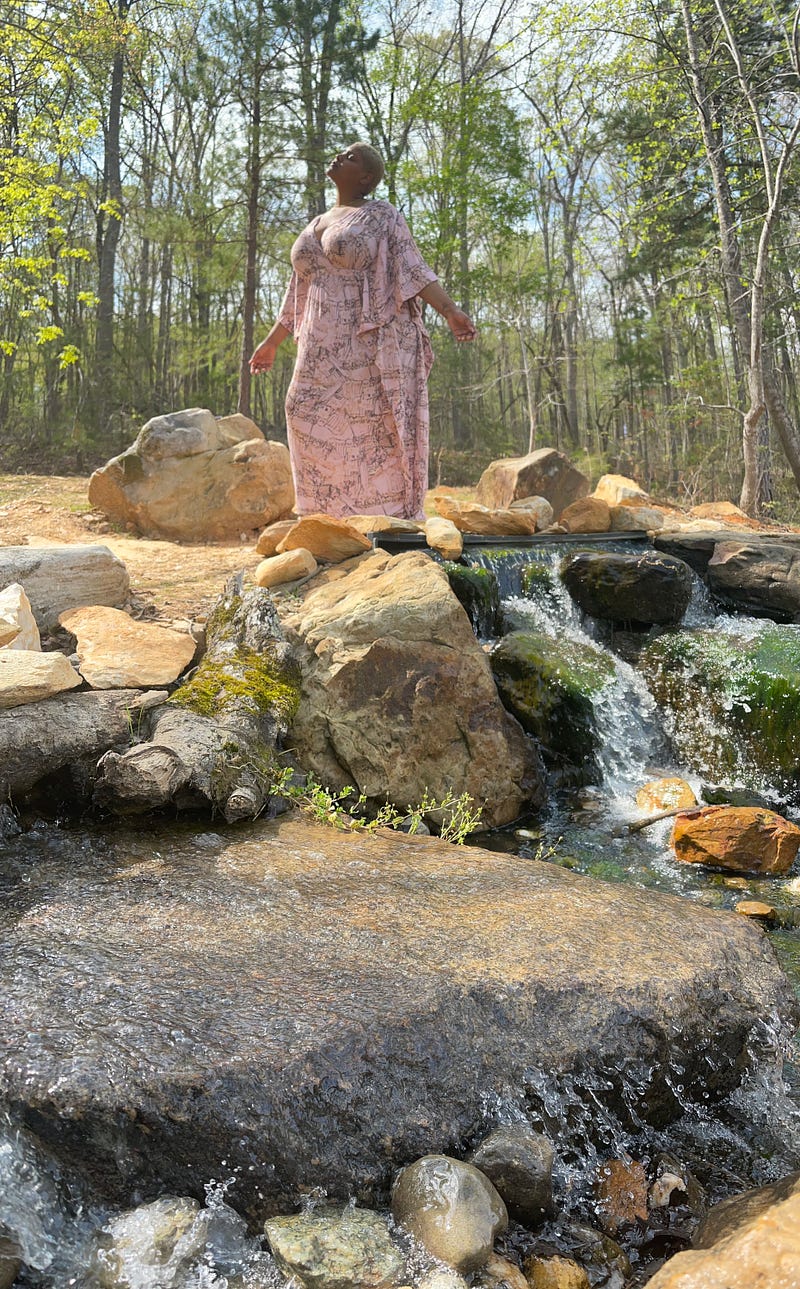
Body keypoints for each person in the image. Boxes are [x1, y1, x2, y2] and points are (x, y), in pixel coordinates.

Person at [249, 143, 477, 520]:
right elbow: (298, 292)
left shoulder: (381, 216)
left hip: (368, 338)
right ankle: (322, 516)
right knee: (300, 408)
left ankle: (385, 517)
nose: (339, 156)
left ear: (367, 178)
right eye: (340, 152)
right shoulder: (315, 223)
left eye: (351, 157)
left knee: (373, 426)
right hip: (319, 343)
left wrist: (450, 310)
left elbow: (412, 267)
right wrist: (273, 341)